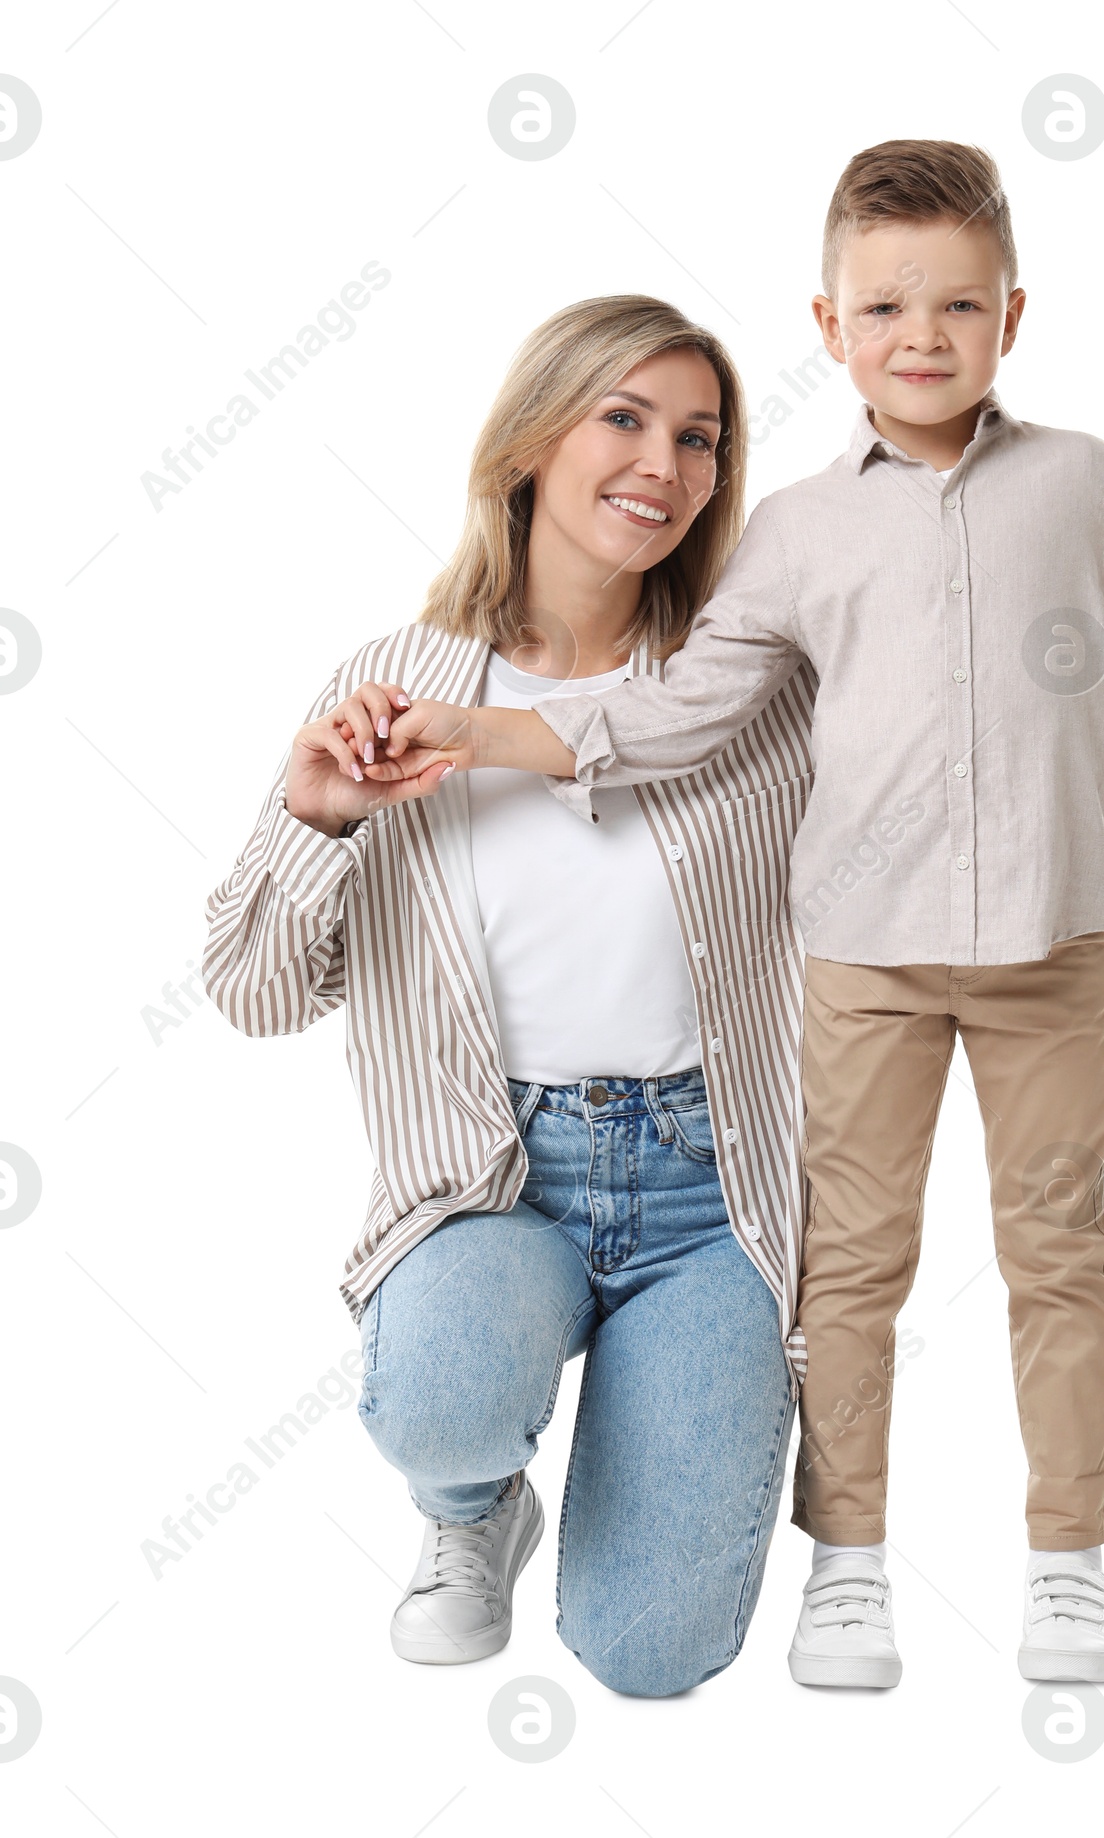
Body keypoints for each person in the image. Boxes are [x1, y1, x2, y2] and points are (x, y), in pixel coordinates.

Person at [338, 144, 1104, 1691]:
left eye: (958, 302)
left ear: (1013, 316)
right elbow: (684, 713)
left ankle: (1067, 1557)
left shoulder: (1079, 480)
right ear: (827, 327)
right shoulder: (796, 539)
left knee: (1057, 1245)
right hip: (862, 961)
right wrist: (478, 732)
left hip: (1054, 945)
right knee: (856, 1265)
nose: (922, 334)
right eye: (885, 304)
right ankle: (847, 1559)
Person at [203, 296, 821, 1696]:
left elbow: (1006, 721)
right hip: (489, 1181)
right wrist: (318, 825)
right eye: (624, 417)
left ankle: (612, 1488)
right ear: (532, 443)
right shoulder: (395, 682)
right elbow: (250, 990)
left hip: (709, 1194)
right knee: (443, 1394)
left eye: (700, 437)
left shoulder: (751, 685)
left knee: (652, 1654)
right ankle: (472, 1506)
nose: (664, 461)